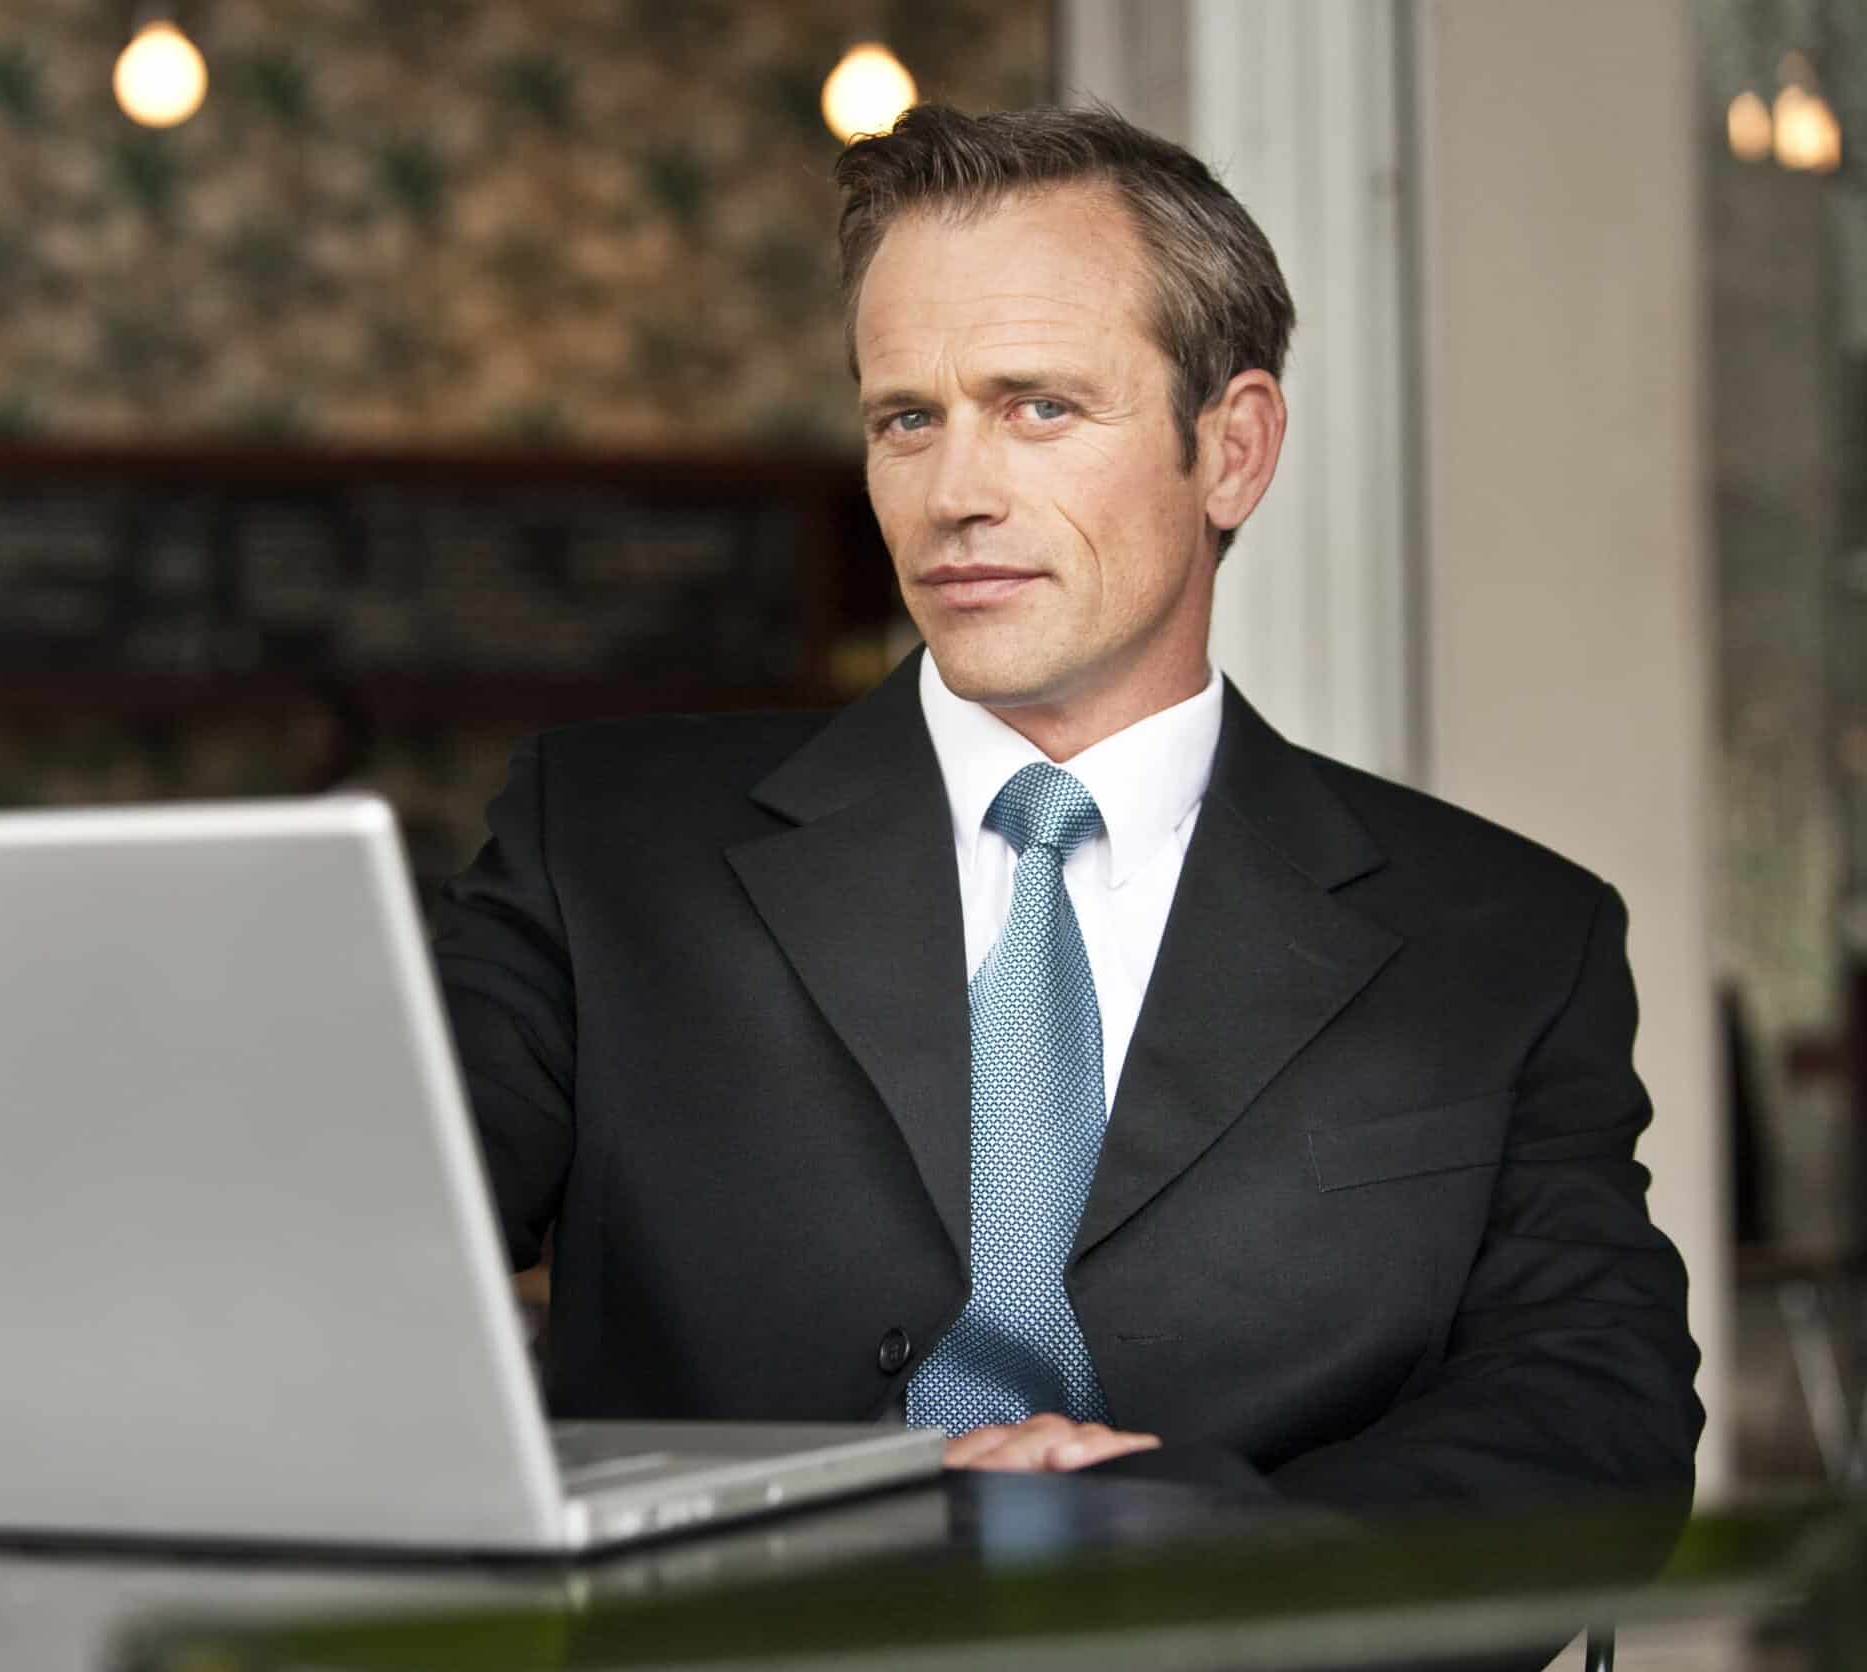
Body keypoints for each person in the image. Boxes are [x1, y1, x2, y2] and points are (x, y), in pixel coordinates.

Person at [432, 105, 1699, 1528]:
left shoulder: (1509, 939)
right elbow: (352, 1253)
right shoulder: (599, 848)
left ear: (1233, 449)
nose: (955, 494)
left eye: (1039, 406)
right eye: (908, 418)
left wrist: (1189, 1566)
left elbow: (1595, 1403)